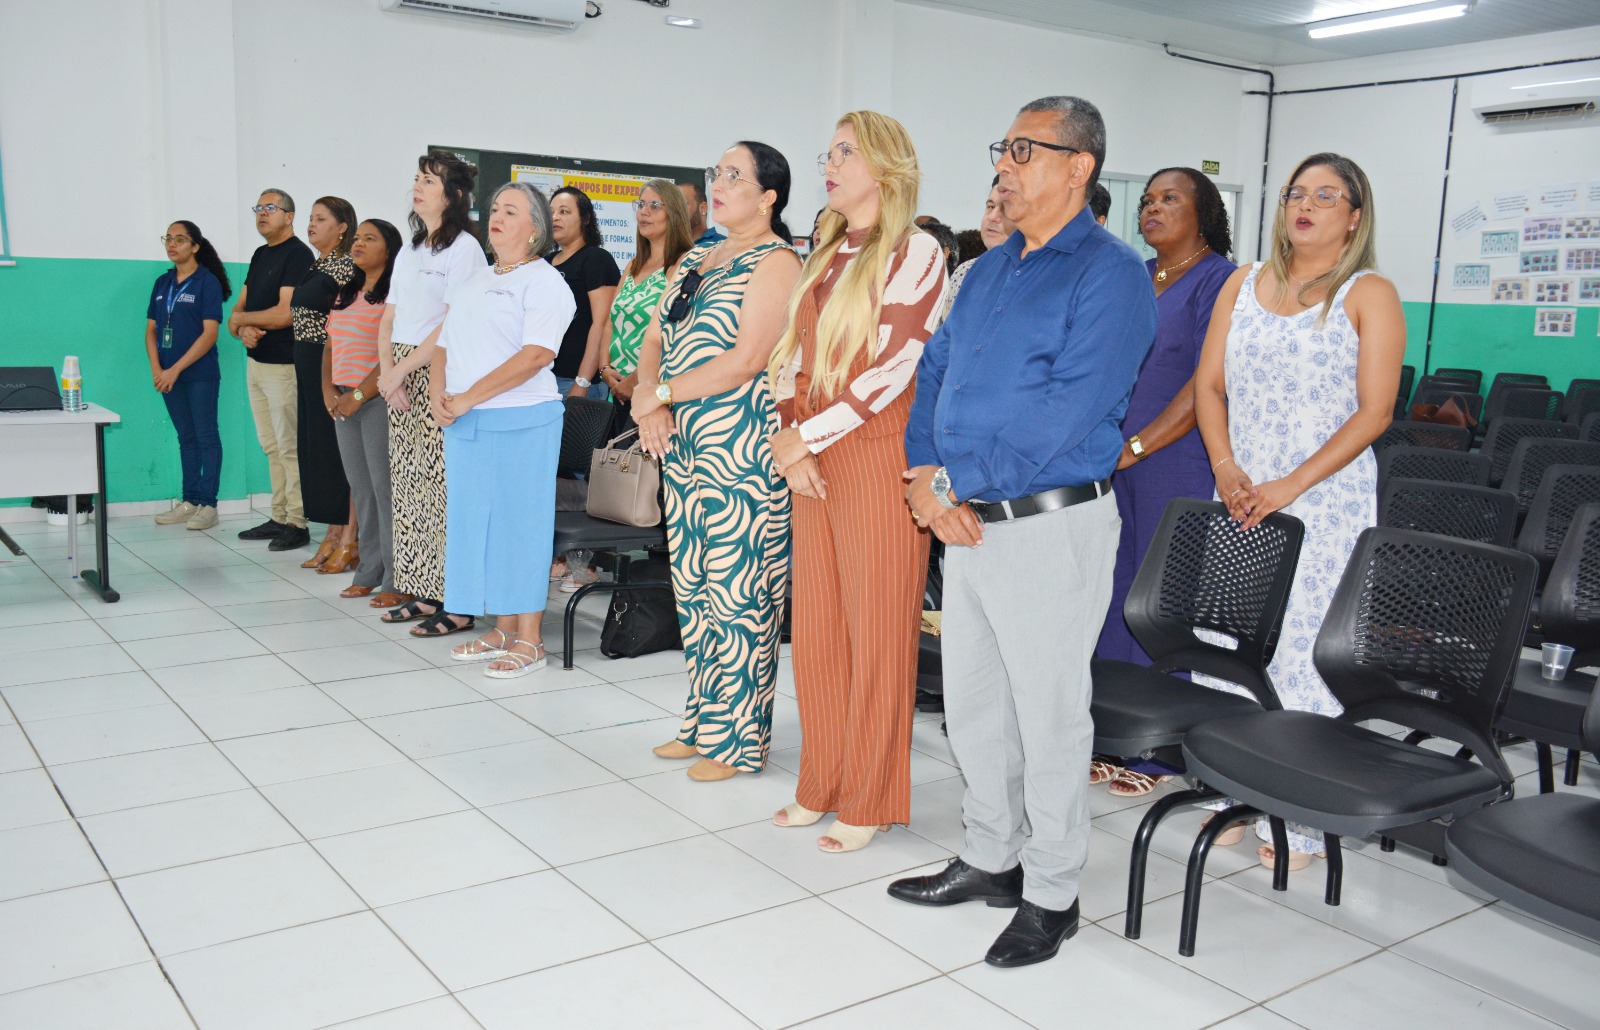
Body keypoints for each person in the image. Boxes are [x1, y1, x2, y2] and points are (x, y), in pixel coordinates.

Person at [890, 96, 1156, 969]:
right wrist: (926, 479)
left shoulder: (1111, 274)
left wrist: (950, 483)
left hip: (1050, 523)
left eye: (1024, 150)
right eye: (1001, 149)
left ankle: (1051, 892)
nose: (1003, 165)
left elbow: (1068, 412)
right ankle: (990, 856)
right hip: (966, 521)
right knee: (973, 706)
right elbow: (933, 375)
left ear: (1079, 167)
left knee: (1047, 718)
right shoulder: (988, 270)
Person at [1193, 152, 1404, 870]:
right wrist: (1227, 468)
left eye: (1326, 195)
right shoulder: (1243, 283)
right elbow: (1209, 386)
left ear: (1354, 215)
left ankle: (1296, 816)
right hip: (1241, 495)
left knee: (1299, 653)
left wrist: (1290, 484)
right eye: (1296, 193)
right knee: (1229, 644)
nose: (1305, 205)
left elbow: (1375, 412)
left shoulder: (1368, 293)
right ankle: (1228, 789)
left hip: (1323, 500)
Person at [768, 111, 948, 852]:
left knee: (876, 635)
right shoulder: (826, 252)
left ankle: (870, 798)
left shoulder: (918, 251)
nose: (829, 165)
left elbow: (894, 367)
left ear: (885, 166)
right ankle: (822, 782)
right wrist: (792, 439)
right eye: (830, 152)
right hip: (810, 457)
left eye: (845, 152)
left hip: (874, 453)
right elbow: (788, 359)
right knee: (817, 633)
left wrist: (805, 436)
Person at [633, 142, 802, 782]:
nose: (719, 184)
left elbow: (748, 358)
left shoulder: (778, 262)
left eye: (735, 175)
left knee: (741, 593)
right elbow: (655, 337)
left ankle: (737, 740)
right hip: (681, 443)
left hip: (743, 449)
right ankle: (701, 721)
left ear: (768, 197)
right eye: (718, 173)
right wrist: (649, 401)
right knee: (695, 587)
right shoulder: (698, 255)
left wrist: (662, 394)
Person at [431, 182, 575, 678]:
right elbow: (444, 345)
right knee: (480, 529)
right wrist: (439, 396)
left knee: (520, 528)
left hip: (522, 422)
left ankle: (531, 639)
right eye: (494, 208)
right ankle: (503, 628)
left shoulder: (545, 283)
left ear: (535, 228)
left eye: (511, 211)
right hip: (468, 423)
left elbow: (536, 355)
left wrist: (469, 396)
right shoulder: (474, 279)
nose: (497, 216)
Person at [1095, 171, 1236, 664]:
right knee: (1113, 583)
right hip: (1113, 458)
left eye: (1169, 199)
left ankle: (1160, 706)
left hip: (1177, 460)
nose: (1151, 208)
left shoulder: (1220, 279)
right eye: (1147, 200)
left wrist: (1137, 447)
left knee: (1160, 594)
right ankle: (1110, 700)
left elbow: (1206, 383)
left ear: (1203, 214)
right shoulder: (1136, 275)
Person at [374, 150, 488, 635]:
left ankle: (456, 598)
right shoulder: (412, 248)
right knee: (409, 487)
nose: (418, 187)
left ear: (454, 195)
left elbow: (451, 322)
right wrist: (387, 372)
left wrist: (402, 370)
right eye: (417, 179)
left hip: (437, 369)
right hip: (400, 372)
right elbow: (389, 316)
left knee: (443, 490)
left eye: (429, 181)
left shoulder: (466, 249)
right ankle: (423, 588)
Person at [229, 189, 314, 549]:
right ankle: (279, 515)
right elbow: (237, 311)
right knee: (270, 445)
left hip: (284, 366)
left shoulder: (298, 254)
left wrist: (242, 321)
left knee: (288, 446)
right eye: (258, 208)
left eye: (270, 208)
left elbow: (284, 314)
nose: (262, 213)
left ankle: (298, 521)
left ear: (289, 216)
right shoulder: (260, 254)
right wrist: (242, 327)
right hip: (256, 364)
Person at [325, 219, 402, 602]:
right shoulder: (346, 293)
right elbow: (330, 345)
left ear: (389, 250)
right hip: (343, 401)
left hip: (376, 400)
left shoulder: (394, 297)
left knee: (385, 491)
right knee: (362, 490)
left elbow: (393, 353)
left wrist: (357, 394)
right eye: (357, 238)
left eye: (369, 239)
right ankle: (369, 570)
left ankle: (397, 579)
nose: (359, 243)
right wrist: (329, 390)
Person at [290, 196, 359, 570]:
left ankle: (345, 534)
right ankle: (332, 532)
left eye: (321, 219)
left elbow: (344, 323)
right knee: (316, 448)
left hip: (328, 360)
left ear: (342, 227)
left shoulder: (346, 266)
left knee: (335, 451)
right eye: (311, 218)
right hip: (305, 359)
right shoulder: (318, 264)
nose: (311, 224)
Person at [147, 221, 229, 531]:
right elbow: (151, 331)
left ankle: (208, 505)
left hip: (199, 374)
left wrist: (175, 369)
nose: (172, 244)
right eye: (168, 238)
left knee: (206, 436)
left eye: (180, 239)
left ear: (195, 246)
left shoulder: (207, 282)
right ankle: (190, 501)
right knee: (186, 438)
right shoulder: (162, 283)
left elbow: (210, 334)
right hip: (168, 375)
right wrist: (158, 370)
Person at [547, 187, 619, 398]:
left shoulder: (596, 259)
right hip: (542, 380)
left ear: (585, 219)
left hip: (577, 383)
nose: (555, 217)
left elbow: (602, 324)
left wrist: (583, 381)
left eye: (564, 211)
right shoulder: (544, 262)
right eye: (551, 212)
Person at [941, 176, 1015, 321]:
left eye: (1005, 209)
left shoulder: (1038, 276)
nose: (992, 217)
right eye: (990, 207)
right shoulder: (965, 271)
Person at [678, 181, 725, 246]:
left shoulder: (722, 245)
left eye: (682, 205)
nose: (676, 210)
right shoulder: (668, 245)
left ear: (703, 208)